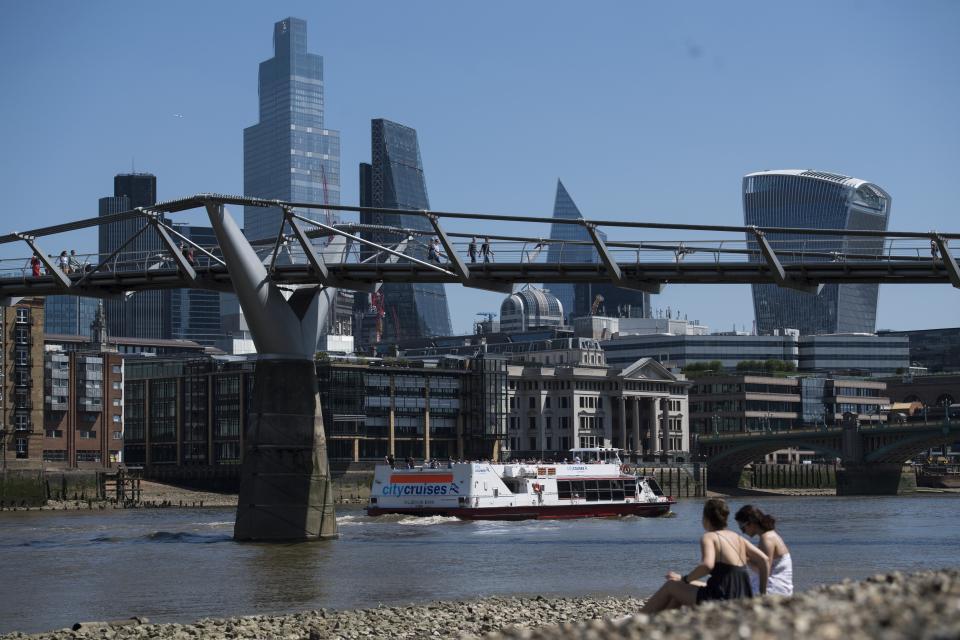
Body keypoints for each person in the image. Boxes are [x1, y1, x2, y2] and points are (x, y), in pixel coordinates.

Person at [641, 498, 769, 614]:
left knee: (671, 585)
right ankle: (659, 626)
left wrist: (684, 579)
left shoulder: (710, 537)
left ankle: (636, 621)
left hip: (720, 598)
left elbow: (707, 566)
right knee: (679, 593)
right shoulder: (739, 538)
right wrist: (762, 594)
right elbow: (764, 559)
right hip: (742, 597)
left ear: (706, 519)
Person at [735, 505, 793, 596]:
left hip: (774, 589)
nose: (742, 531)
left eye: (742, 527)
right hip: (780, 587)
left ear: (751, 523)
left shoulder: (767, 539)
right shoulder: (770, 535)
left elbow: (763, 570)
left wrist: (744, 557)